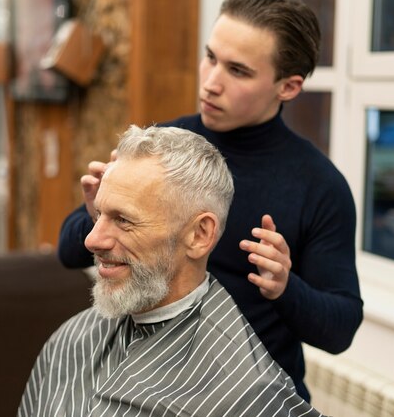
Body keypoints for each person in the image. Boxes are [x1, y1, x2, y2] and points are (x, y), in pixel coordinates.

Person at [57, 0, 363, 402]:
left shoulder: (320, 186)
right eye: (210, 57)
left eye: (237, 70)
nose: (211, 82)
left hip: (251, 398)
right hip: (150, 384)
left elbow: (340, 329)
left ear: (287, 86)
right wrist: (98, 215)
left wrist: (285, 287)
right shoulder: (162, 153)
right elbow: (68, 251)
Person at [18, 125, 324, 417]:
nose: (91, 239)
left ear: (199, 235)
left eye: (123, 220)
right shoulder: (70, 341)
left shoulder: (244, 393)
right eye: (98, 214)